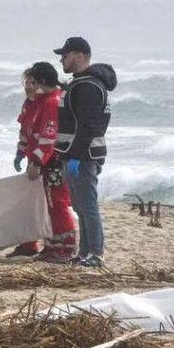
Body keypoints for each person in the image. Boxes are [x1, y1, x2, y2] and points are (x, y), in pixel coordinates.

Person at [53, 37, 117, 268]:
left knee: (88, 206)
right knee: (80, 206)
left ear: (79, 56)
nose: (62, 59)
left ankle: (95, 254)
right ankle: (84, 252)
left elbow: (88, 125)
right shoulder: (80, 84)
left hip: (83, 156)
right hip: (78, 154)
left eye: (65, 55)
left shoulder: (88, 86)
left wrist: (76, 157)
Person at [6, 62, 77, 262]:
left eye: (33, 81)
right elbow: (27, 130)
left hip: (53, 161)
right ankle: (45, 245)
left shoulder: (52, 102)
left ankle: (65, 247)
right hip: (38, 159)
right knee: (39, 202)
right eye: (27, 82)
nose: (29, 86)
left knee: (57, 202)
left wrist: (37, 161)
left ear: (42, 81)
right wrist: (22, 153)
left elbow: (48, 136)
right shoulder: (36, 101)